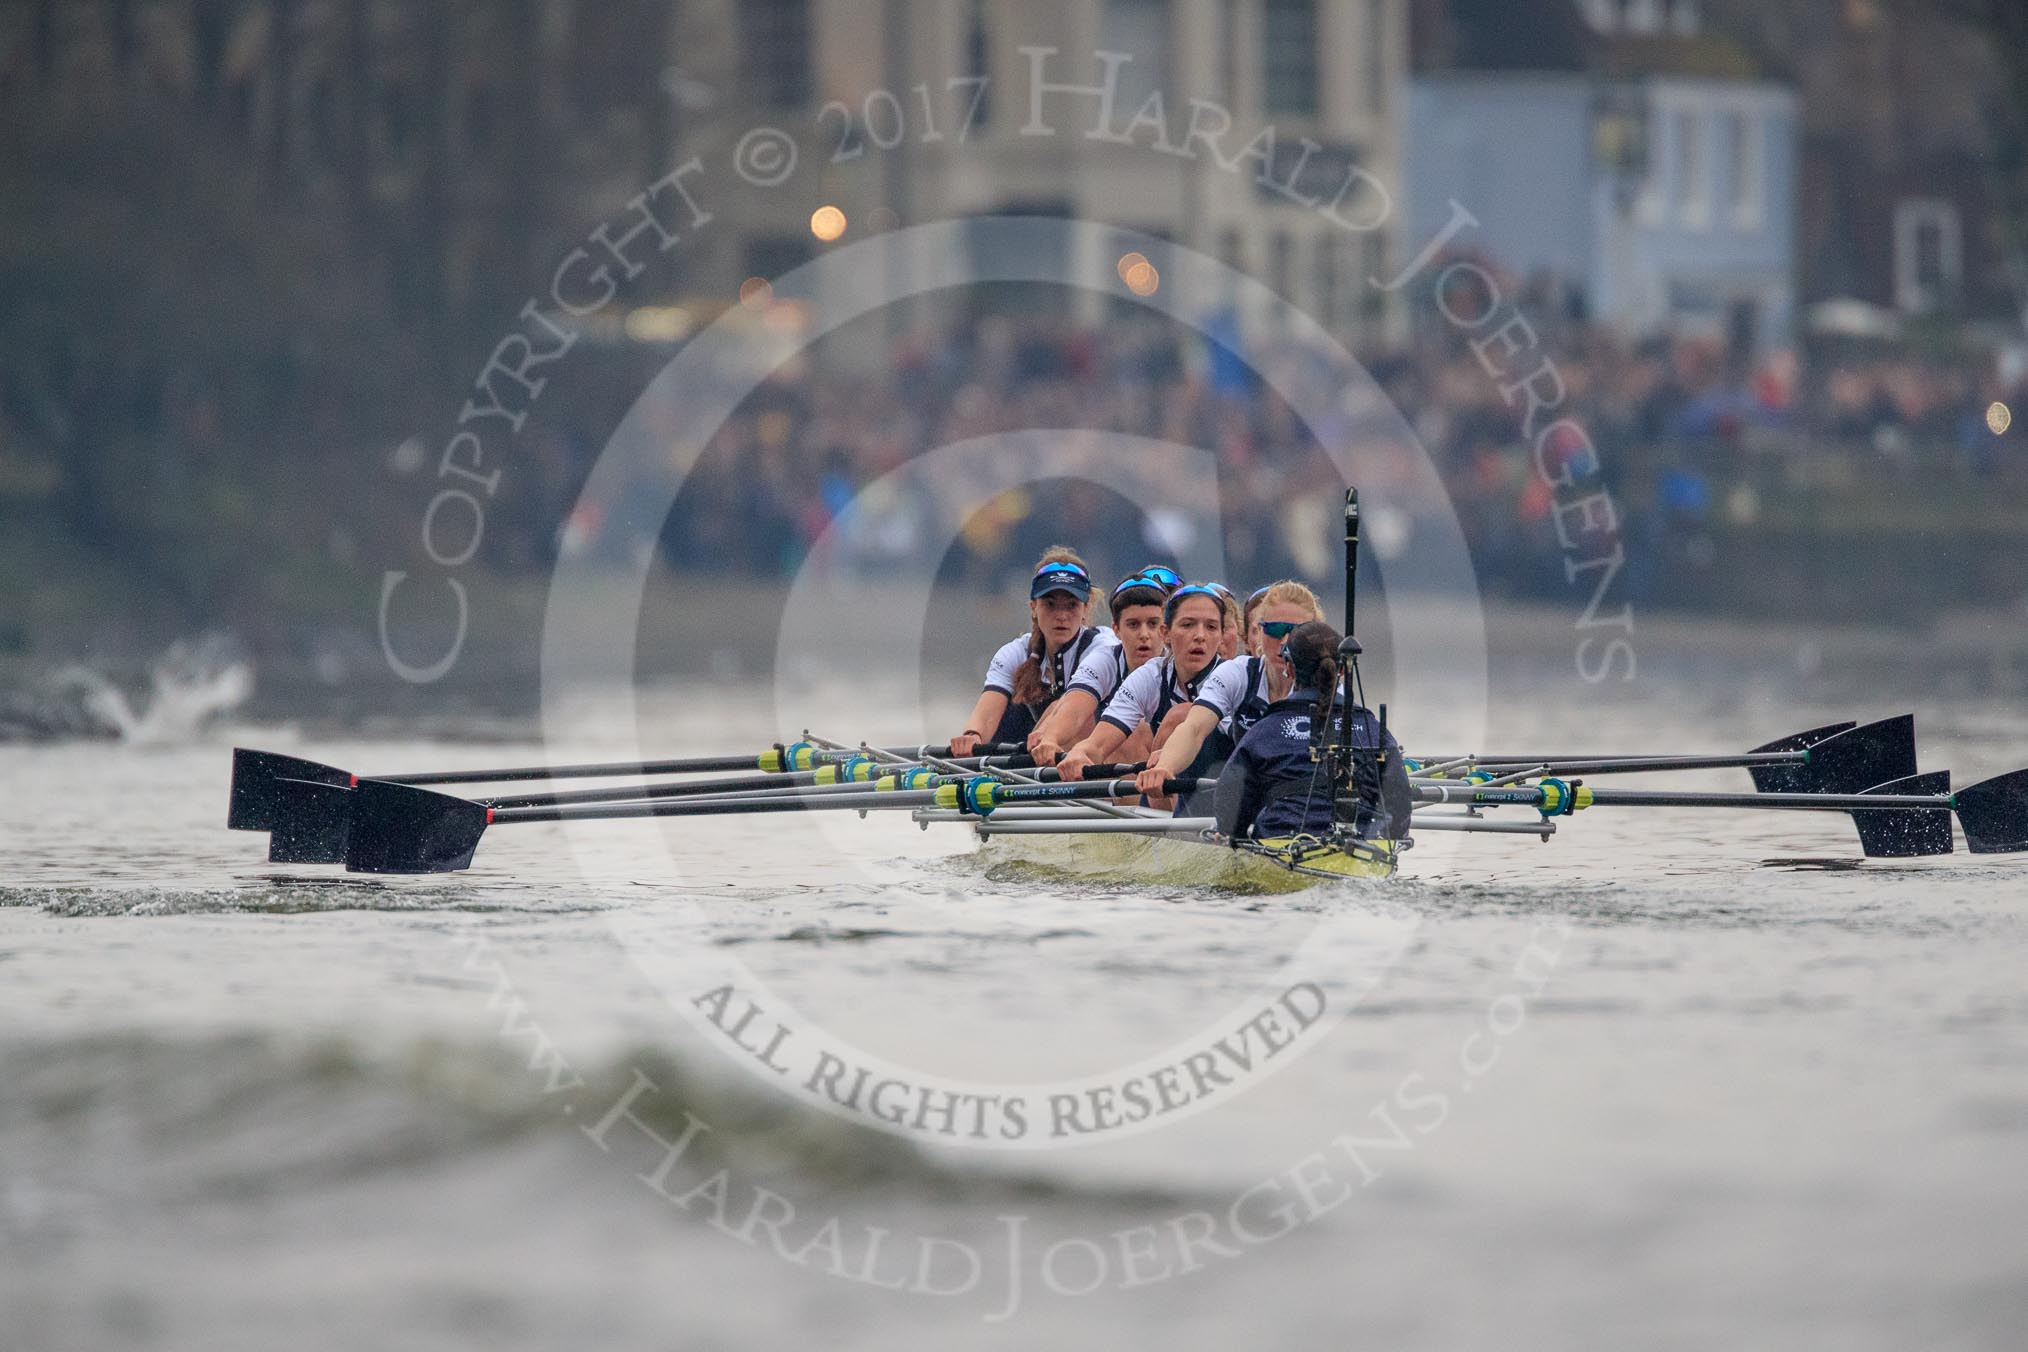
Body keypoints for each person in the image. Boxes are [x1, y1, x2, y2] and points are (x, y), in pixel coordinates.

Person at [1212, 620, 1413, 843]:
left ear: (1289, 668)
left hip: (1282, 845)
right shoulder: (1374, 731)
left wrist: (1237, 838)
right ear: (1343, 669)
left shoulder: (1263, 732)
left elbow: (1228, 811)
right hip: (1364, 850)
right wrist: (1395, 837)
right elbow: (1400, 805)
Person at [1133, 580, 1327, 803]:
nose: (1284, 641)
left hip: (1300, 798)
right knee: (1182, 719)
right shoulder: (1237, 673)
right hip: (1245, 797)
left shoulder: (1326, 682)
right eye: (1275, 629)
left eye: (1296, 631)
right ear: (1260, 630)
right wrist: (1166, 766)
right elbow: (1194, 728)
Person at [1054, 583, 1229, 785]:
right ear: (1166, 633)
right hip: (1167, 796)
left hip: (1228, 795)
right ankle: (1138, 815)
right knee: (1129, 734)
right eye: (1188, 625)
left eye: (1211, 627)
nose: (1200, 636)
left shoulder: (1233, 676)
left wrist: (1174, 754)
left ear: (1222, 635)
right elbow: (1099, 743)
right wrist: (1080, 752)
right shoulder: (1150, 675)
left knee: (1180, 717)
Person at [949, 550, 1117, 758]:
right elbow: (987, 712)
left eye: (1072, 605)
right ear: (1033, 607)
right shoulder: (1015, 652)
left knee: (1063, 705)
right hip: (1032, 749)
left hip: (1090, 751)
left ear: (1085, 609)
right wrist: (973, 736)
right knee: (1011, 713)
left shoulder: (1104, 646)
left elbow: (1074, 711)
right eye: (1050, 604)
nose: (1062, 616)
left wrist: (1050, 737)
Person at [1027, 572, 1169, 766]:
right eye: (1133, 625)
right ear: (1117, 630)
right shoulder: (1104, 659)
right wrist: (1051, 739)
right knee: (1059, 711)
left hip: (1180, 767)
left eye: (1152, 624)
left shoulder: (1178, 661)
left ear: (1165, 630)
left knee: (1132, 732)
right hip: (1135, 772)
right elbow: (1075, 709)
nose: (1144, 634)